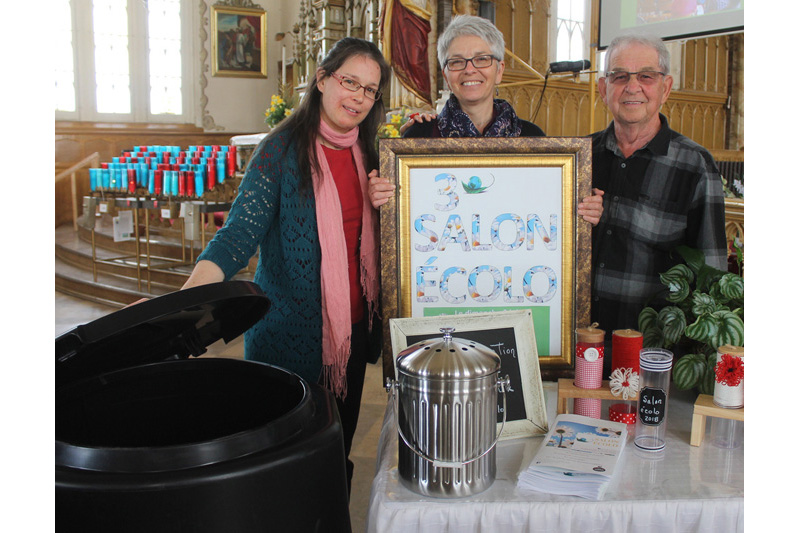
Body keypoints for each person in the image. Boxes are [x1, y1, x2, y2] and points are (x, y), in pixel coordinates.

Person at [180, 37, 390, 492]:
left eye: (370, 89)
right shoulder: (279, 152)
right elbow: (237, 235)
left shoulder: (372, 154)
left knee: (337, 454)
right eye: (349, 82)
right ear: (321, 80)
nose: (358, 96)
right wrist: (184, 306)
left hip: (350, 340)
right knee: (286, 472)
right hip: (287, 341)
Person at [369, 14, 603, 224]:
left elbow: (551, 214)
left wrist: (581, 209)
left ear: (499, 70)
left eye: (481, 59)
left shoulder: (533, 137)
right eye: (457, 62)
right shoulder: (419, 137)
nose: (470, 70)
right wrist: (382, 197)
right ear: (446, 76)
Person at [590, 32, 727, 375]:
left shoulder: (695, 165)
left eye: (646, 76)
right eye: (619, 76)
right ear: (603, 88)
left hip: (652, 359)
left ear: (665, 88)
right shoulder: (578, 158)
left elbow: (711, 277)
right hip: (578, 350)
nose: (632, 87)